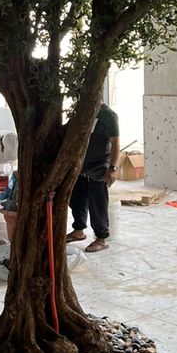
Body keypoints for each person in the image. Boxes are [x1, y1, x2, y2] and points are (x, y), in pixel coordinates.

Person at [67, 103, 120, 253]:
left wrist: (112, 168)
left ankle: (101, 238)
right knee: (77, 199)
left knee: (98, 202)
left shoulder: (108, 115)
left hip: (99, 165)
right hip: (80, 163)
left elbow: (115, 142)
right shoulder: (80, 108)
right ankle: (78, 231)